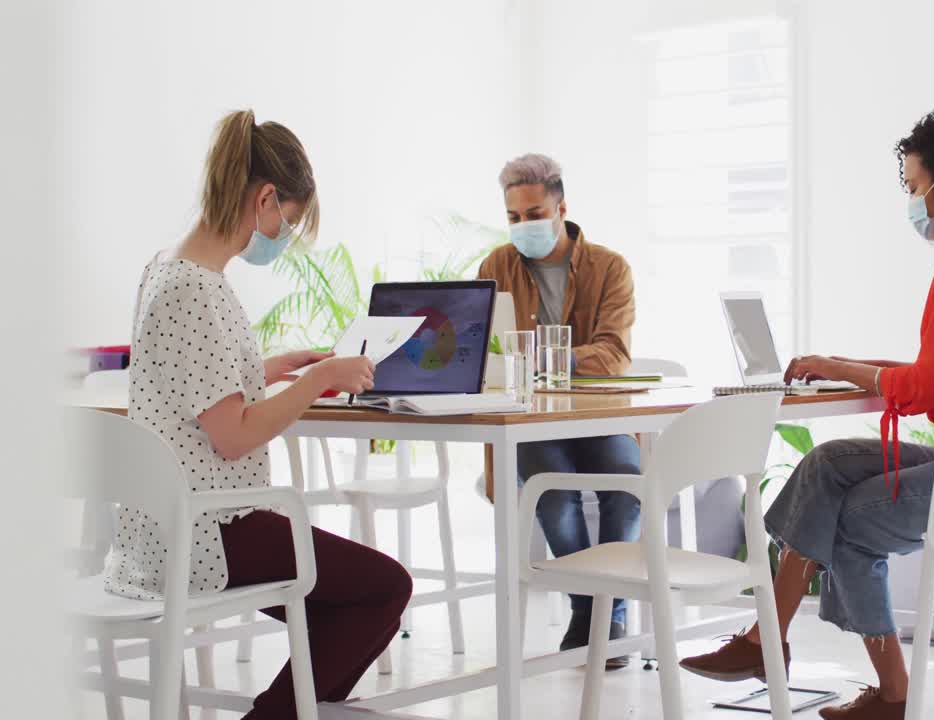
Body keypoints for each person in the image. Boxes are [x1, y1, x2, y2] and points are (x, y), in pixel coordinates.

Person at [679, 112, 934, 720]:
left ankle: (889, 693)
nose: (911, 201)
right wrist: (840, 363)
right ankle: (764, 639)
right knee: (828, 464)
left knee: (849, 522)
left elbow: (927, 387)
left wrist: (845, 370)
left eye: (912, 187)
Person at [109, 110, 412, 719]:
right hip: (209, 531)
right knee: (384, 589)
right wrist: (323, 379)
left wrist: (272, 369)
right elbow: (231, 435)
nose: (284, 237)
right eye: (289, 223)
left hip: (159, 532)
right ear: (266, 198)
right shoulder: (198, 288)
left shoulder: (168, 270)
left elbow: (192, 386)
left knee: (344, 592)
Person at [477, 153, 640, 667]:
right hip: (529, 422)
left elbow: (613, 353)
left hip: (595, 415)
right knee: (553, 489)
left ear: (561, 207)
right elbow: (478, 350)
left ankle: (606, 611)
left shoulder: (609, 268)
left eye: (533, 214)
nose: (522, 226)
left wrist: (546, 359)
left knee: (627, 479)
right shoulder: (495, 267)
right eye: (513, 217)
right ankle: (589, 609)